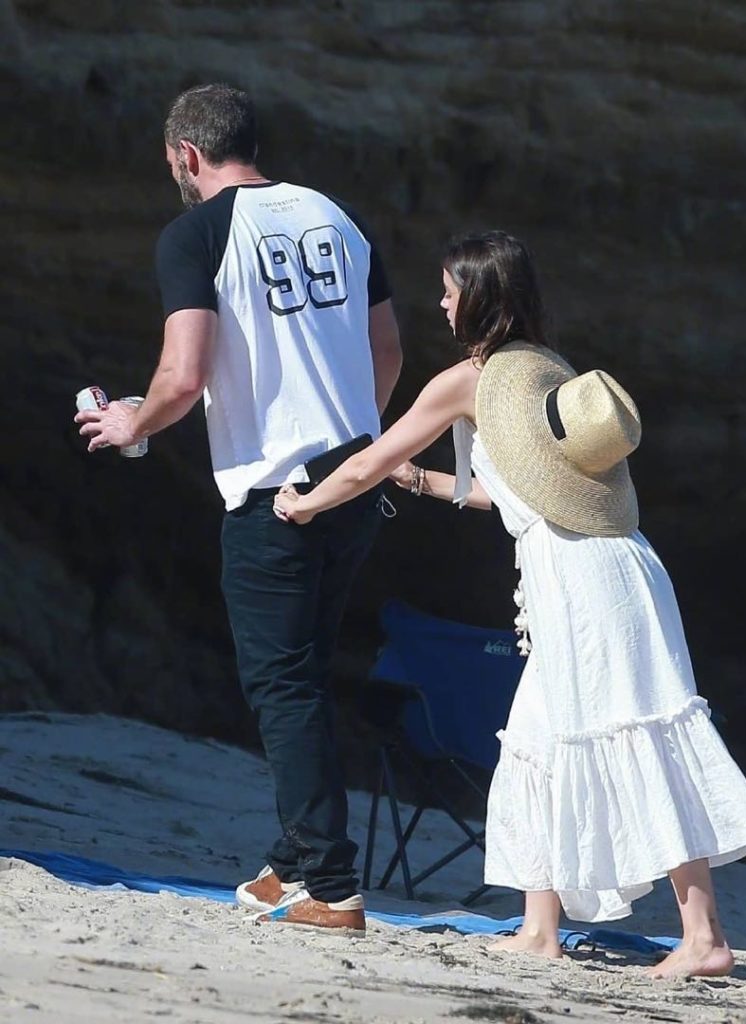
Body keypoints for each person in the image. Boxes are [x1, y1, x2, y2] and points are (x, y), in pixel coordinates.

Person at [273, 230, 746, 976]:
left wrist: (306, 504)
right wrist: (422, 482)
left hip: (582, 581)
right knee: (539, 740)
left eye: (449, 291)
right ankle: (541, 928)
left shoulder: (467, 381)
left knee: (633, 731)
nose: (441, 304)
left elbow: (369, 460)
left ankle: (703, 938)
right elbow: (521, 495)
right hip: (604, 566)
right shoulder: (545, 368)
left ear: (478, 297)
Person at [75, 83, 402, 934]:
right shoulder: (339, 216)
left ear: (186, 155)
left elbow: (183, 375)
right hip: (352, 481)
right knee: (307, 671)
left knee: (282, 685)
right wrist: (347, 446)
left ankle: (330, 884)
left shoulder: (195, 235)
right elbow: (387, 352)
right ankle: (293, 858)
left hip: (276, 495)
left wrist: (133, 423)